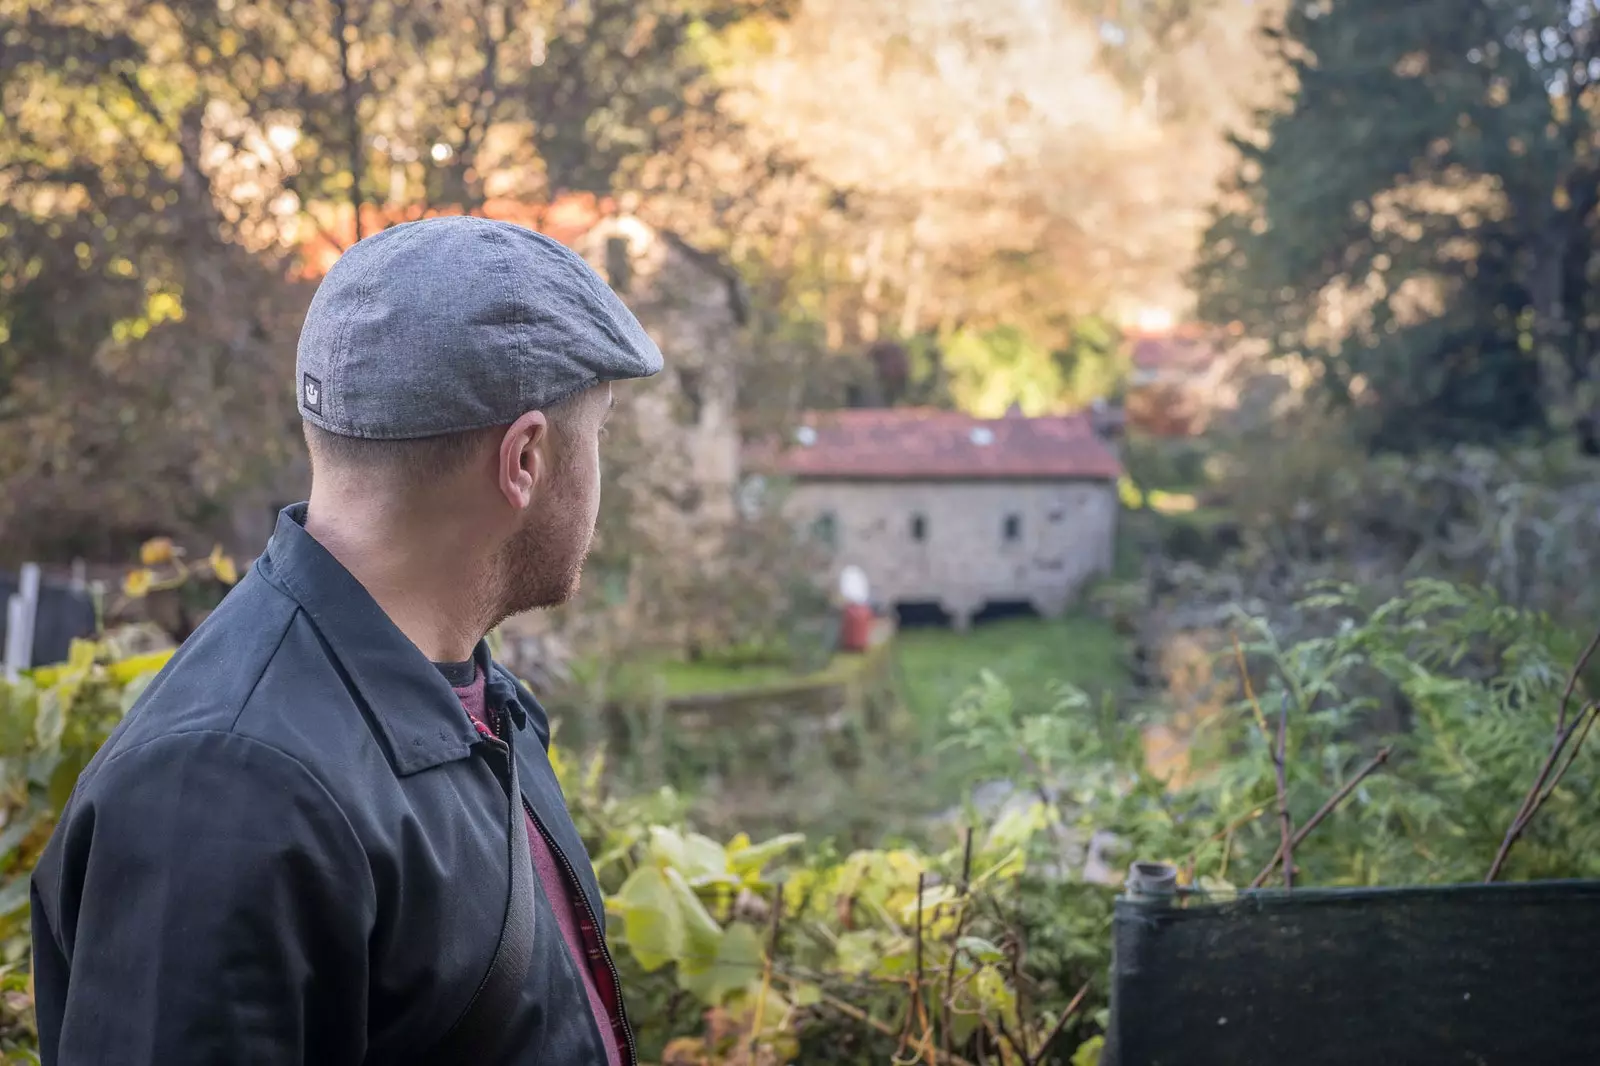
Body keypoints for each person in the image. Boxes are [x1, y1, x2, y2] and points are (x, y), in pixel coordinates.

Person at [30, 215, 663, 1065]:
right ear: (525, 460)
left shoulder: (474, 707)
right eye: (599, 438)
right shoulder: (226, 790)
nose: (600, 476)